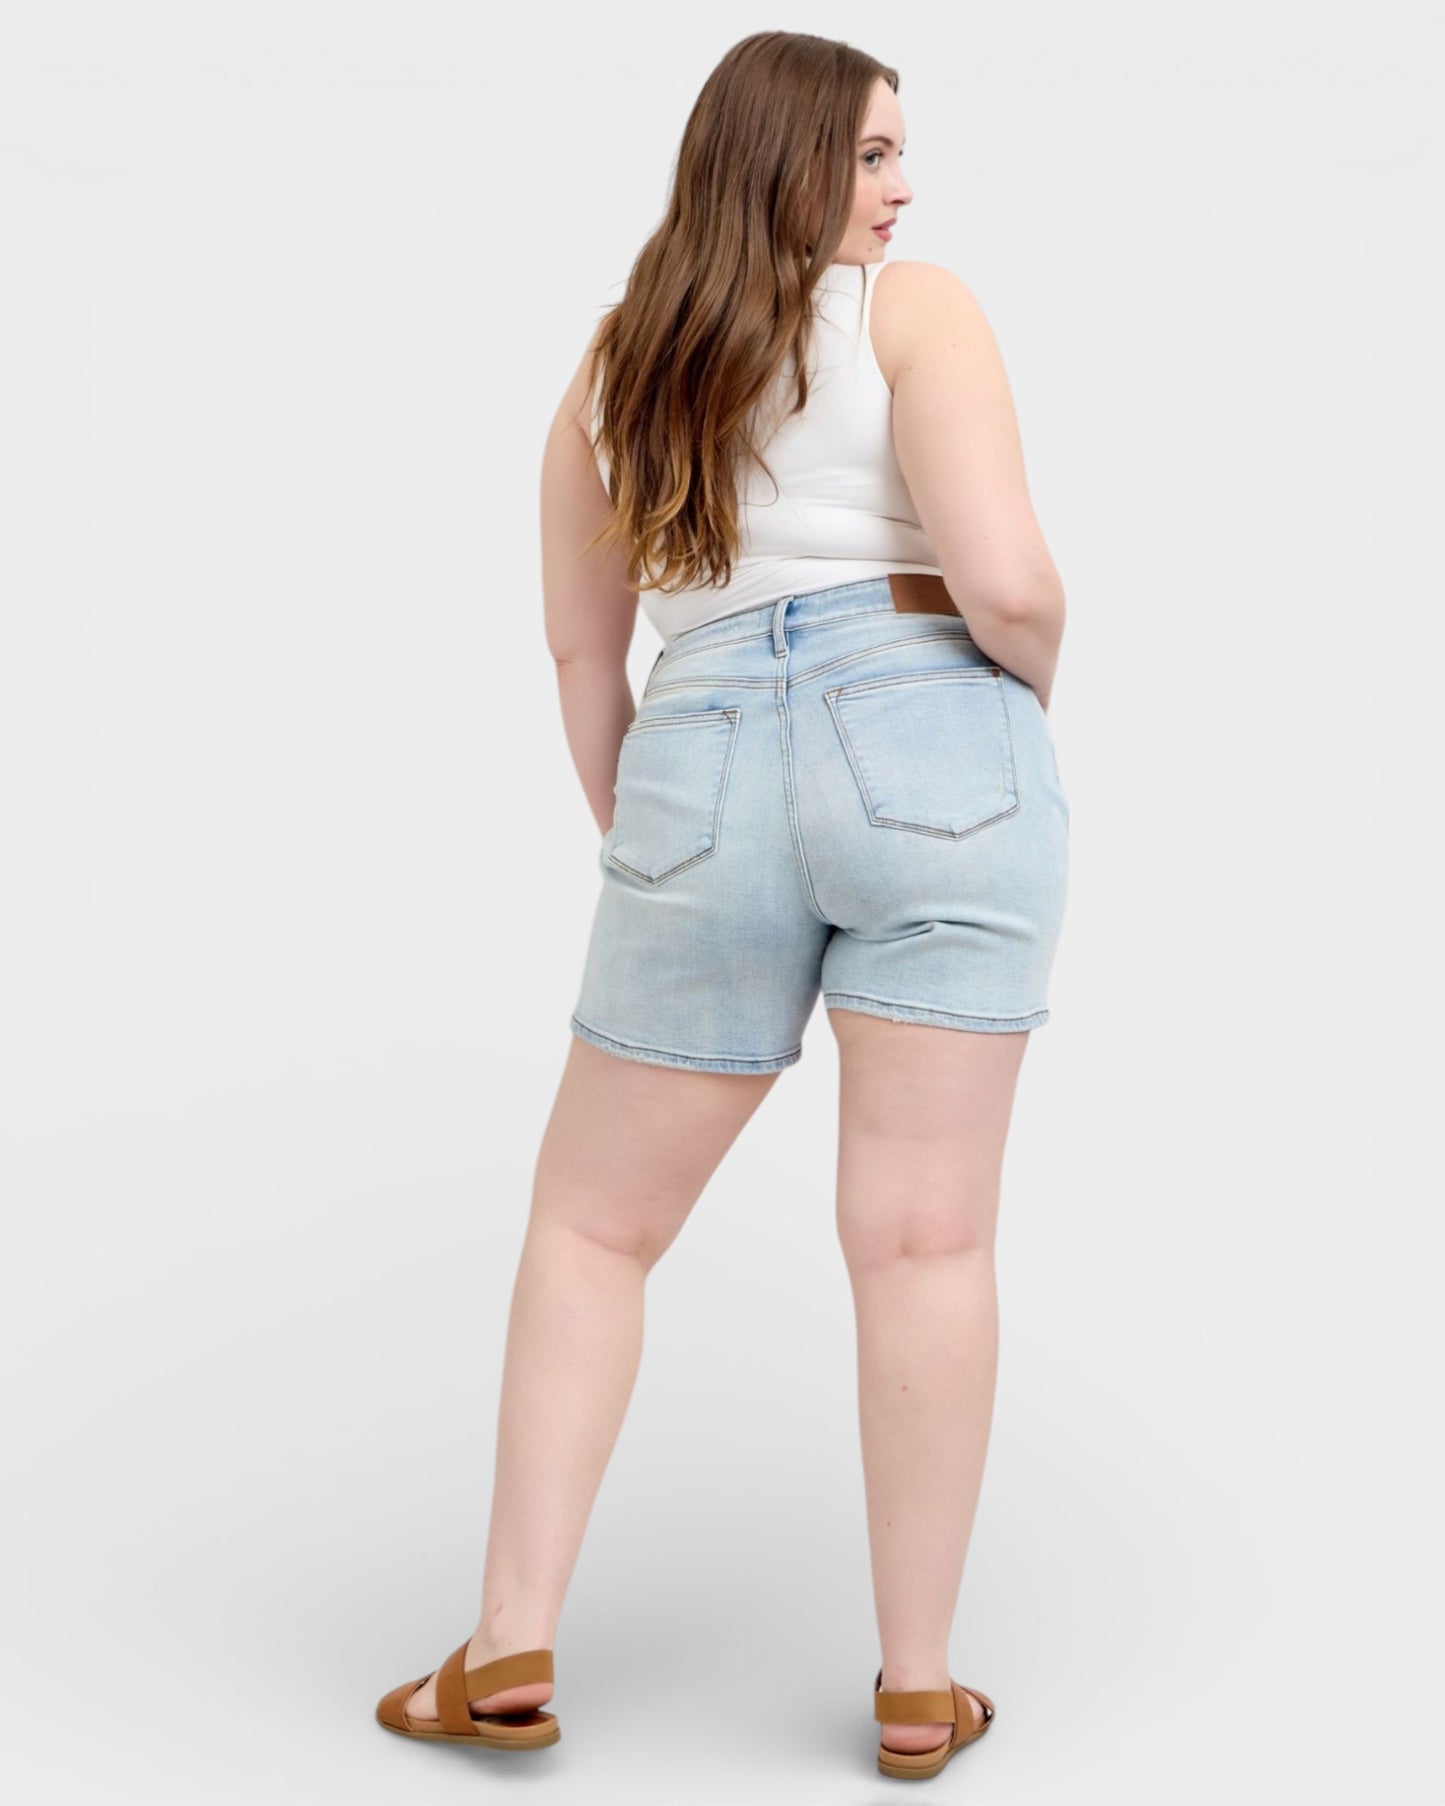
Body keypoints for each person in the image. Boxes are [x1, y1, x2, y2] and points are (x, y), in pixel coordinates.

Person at [375, 29, 1069, 1783]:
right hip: (932, 729)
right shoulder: (916, 315)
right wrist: (1009, 713)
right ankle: (916, 1682)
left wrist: (660, 839)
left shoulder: (613, 371)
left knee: (594, 1229)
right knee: (922, 1238)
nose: (903, 190)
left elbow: (577, 650)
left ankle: (510, 1635)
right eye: (875, 156)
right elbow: (1006, 582)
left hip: (695, 759)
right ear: (785, 162)